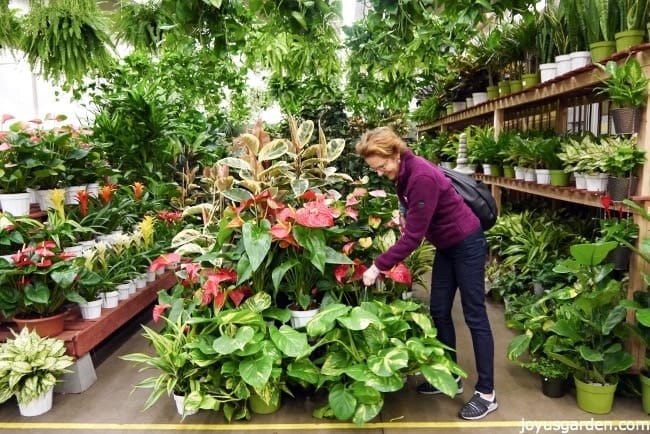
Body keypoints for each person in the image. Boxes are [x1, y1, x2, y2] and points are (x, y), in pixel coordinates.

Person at [356, 126, 497, 420]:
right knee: (439, 310)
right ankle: (450, 377)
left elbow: (412, 239)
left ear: (395, 153)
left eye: (381, 167)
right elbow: (411, 210)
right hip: (447, 245)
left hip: (467, 243)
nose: (380, 172)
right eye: (375, 168)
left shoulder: (419, 176)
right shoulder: (403, 172)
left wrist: (378, 266)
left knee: (474, 315)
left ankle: (487, 393)